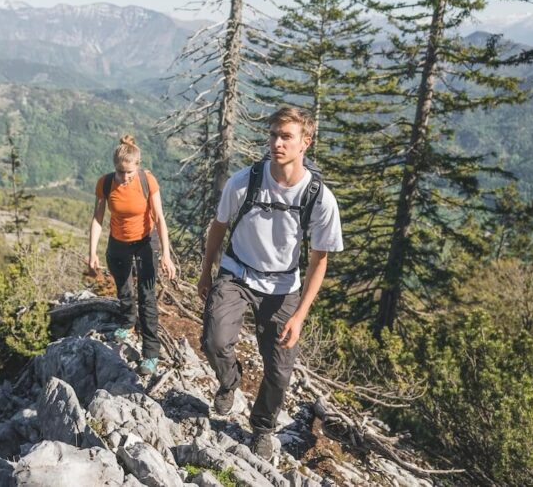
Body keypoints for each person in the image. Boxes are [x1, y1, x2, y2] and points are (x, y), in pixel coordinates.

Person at [197, 106, 343, 460]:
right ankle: (230, 381)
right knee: (215, 339)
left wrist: (300, 316)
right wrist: (206, 272)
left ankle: (262, 427)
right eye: (274, 135)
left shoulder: (319, 198)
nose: (277, 143)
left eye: (286, 136)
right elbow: (218, 226)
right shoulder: (244, 181)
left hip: (283, 288)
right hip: (237, 272)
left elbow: (319, 260)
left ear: (305, 142)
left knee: (279, 372)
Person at [89, 135, 177, 376]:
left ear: (137, 166)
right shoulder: (106, 183)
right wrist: (92, 253)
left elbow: (159, 218)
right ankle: (128, 321)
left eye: (129, 172)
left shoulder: (148, 181)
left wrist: (166, 256)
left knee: (147, 296)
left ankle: (150, 352)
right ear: (114, 167)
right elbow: (98, 218)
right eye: (120, 172)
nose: (125, 177)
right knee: (124, 288)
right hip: (118, 243)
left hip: (146, 241)